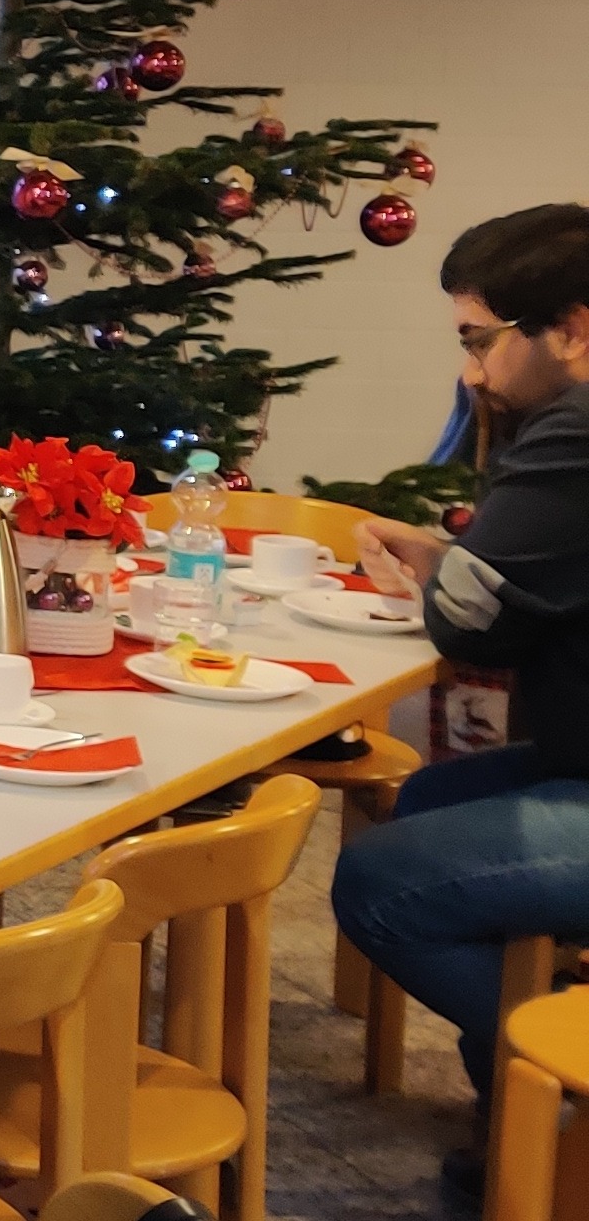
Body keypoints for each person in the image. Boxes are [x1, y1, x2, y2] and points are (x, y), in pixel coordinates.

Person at [332, 202, 589, 1184]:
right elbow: (517, 588)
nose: (473, 372)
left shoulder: (577, 425)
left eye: (481, 340)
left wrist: (457, 575)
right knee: (434, 800)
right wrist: (451, 556)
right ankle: (512, 1132)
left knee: (379, 882)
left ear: (569, 326)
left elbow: (471, 622)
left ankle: (557, 1103)